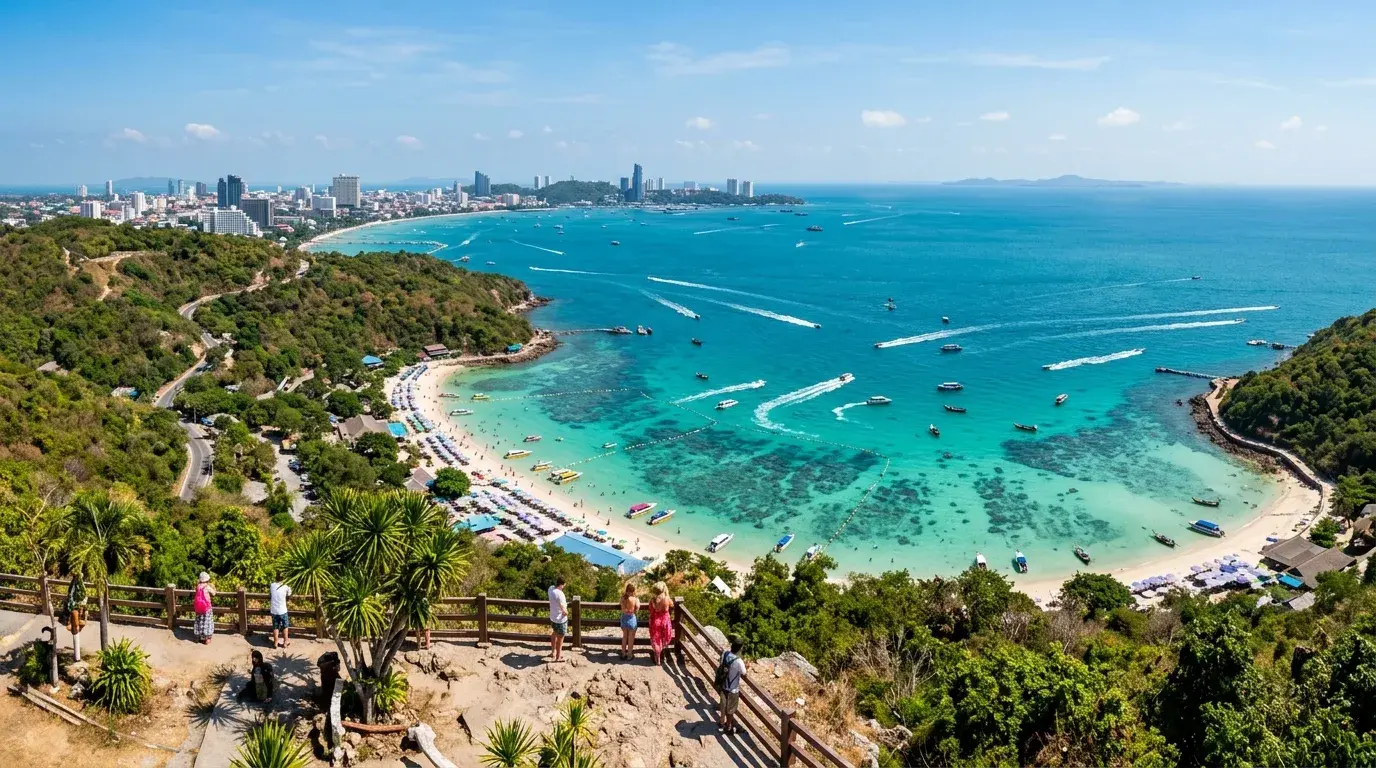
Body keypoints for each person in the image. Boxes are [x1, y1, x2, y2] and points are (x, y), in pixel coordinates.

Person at [717, 638, 746, 734]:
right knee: (731, 709)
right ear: (740, 648)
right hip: (733, 689)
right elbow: (744, 673)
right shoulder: (739, 661)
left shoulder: (725, 654)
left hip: (723, 685)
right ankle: (728, 727)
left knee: (723, 704)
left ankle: (721, 721)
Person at [648, 581, 674, 666]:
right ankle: (663, 653)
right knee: (664, 638)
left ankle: (657, 658)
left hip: (655, 621)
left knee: (656, 639)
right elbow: (672, 605)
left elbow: (651, 611)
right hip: (665, 621)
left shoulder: (652, 600)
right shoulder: (666, 598)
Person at [548, 576, 569, 662]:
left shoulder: (550, 589)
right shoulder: (560, 594)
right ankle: (558, 656)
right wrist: (567, 613)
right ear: (562, 584)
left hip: (553, 617)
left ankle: (553, 652)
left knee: (554, 633)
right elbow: (564, 611)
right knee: (560, 637)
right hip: (560, 620)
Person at [268, 577, 292, 649]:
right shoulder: (285, 586)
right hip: (282, 610)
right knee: (285, 626)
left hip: (274, 610)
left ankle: (275, 642)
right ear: (283, 579)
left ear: (276, 578)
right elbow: (289, 593)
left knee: (275, 627)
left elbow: (270, 594)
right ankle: (285, 642)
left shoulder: (272, 585)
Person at [193, 572, 216, 645]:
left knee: (199, 622)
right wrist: (214, 588)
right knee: (207, 622)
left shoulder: (197, 586)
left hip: (198, 608)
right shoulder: (207, 587)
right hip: (206, 608)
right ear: (207, 580)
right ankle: (207, 639)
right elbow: (214, 593)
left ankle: (197, 637)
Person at [618, 582, 640, 660]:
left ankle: (623, 653)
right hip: (631, 618)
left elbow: (622, 608)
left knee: (624, 637)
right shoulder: (635, 599)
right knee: (631, 638)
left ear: (626, 590)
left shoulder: (622, 598)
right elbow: (637, 609)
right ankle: (629, 655)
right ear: (633, 591)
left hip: (624, 618)